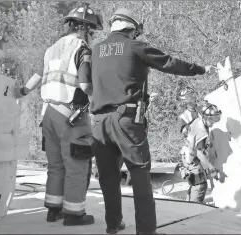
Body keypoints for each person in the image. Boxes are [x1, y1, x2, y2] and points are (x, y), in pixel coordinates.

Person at [89, 8, 216, 235]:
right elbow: (169, 63)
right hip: (126, 121)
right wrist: (201, 69)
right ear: (132, 28)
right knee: (139, 176)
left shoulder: (96, 50)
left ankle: (113, 224)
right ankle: (146, 231)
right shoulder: (136, 47)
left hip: (98, 122)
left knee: (108, 177)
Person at [14, 4, 103, 226]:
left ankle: (53, 210)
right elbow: (84, 83)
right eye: (91, 30)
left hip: (48, 116)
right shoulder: (82, 49)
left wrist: (22, 91)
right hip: (70, 117)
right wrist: (100, 96)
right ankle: (74, 214)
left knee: (55, 165)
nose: (92, 35)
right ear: (83, 28)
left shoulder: (51, 49)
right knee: (76, 166)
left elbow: (36, 77)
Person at [179, 102, 221, 203]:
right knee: (200, 184)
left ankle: (189, 204)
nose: (214, 122)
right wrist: (211, 167)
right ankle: (194, 208)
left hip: (187, 154)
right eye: (212, 119)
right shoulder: (202, 131)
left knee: (196, 183)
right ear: (206, 118)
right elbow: (199, 153)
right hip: (191, 157)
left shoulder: (199, 120)